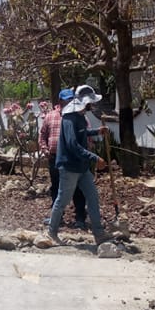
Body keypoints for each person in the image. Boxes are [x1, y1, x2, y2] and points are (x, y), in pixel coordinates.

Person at [47, 85, 113, 247]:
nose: (93, 105)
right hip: (69, 167)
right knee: (63, 200)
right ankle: (51, 232)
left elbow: (82, 133)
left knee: (92, 197)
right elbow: (72, 145)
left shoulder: (80, 116)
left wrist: (97, 131)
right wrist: (95, 158)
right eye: (91, 102)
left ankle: (99, 234)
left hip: (82, 167)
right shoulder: (70, 118)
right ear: (85, 102)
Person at [38, 88, 87, 229]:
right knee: (56, 188)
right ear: (60, 101)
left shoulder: (78, 115)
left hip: (73, 159)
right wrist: (45, 149)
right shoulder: (50, 116)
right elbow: (42, 135)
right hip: (54, 158)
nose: (69, 102)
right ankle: (56, 218)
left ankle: (80, 218)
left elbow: (85, 135)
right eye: (66, 100)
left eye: (71, 99)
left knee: (78, 188)